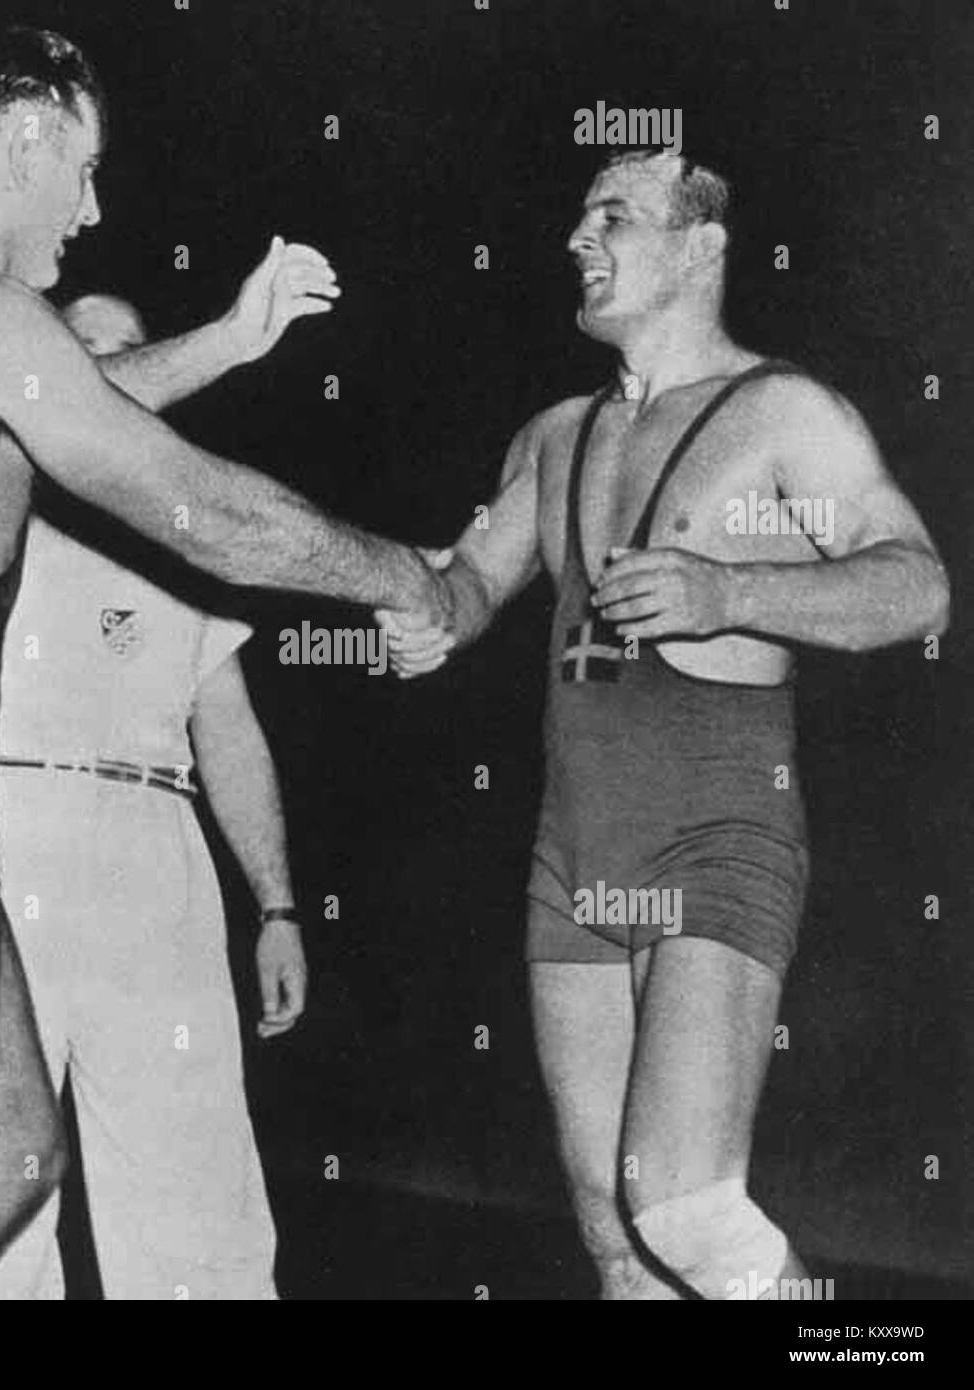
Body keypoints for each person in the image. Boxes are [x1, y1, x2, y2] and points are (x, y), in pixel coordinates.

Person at [0, 24, 448, 1298]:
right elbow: (210, 516)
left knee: (15, 1155)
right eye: (82, 167)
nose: (92, 206)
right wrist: (415, 575)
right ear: (25, 136)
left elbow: (64, 399)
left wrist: (230, 342)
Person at [378, 150, 948, 1299]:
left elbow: (919, 585)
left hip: (718, 828)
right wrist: (426, 617)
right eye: (579, 214)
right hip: (573, 851)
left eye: (614, 216)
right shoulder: (552, 435)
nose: (577, 238)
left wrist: (731, 592)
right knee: (616, 1240)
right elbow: (472, 582)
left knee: (682, 1206)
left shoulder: (785, 412)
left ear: (700, 249)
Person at [0, 293, 305, 1300]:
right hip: (9, 831)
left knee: (196, 1188)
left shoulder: (189, 531)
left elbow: (231, 729)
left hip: (157, 846)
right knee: (3, 1186)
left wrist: (278, 906)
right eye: (90, 352)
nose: (122, 367)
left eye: (134, 346)